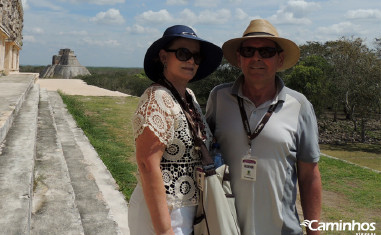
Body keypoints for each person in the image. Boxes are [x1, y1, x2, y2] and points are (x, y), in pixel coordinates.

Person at [206, 19, 322, 235]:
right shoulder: (219, 98)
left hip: (280, 229)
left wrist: (314, 231)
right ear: (239, 58)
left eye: (266, 51)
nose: (256, 57)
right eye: (248, 50)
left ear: (279, 59)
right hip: (224, 225)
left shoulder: (299, 105)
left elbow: (309, 175)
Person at [128, 25, 223, 235]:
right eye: (183, 53)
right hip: (164, 212)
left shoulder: (188, 96)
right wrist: (164, 230)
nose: (191, 61)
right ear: (164, 57)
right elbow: (146, 164)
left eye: (196, 57)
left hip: (188, 208)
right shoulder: (157, 98)